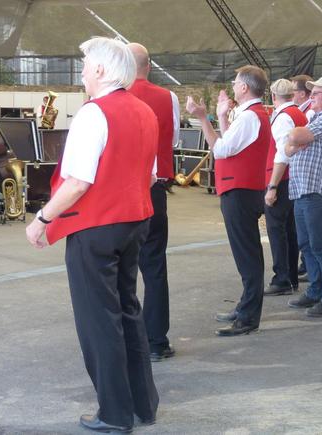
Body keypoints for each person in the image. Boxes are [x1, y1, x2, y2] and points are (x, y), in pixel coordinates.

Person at [25, 37, 159, 433]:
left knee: (98, 320)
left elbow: (78, 181)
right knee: (127, 310)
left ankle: (114, 413)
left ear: (100, 69)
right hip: (134, 221)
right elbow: (151, 176)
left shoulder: (93, 112)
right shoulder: (144, 110)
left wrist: (43, 219)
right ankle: (143, 404)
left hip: (95, 226)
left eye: (85, 65)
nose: (83, 72)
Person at [185, 65, 271, 336]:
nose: (233, 86)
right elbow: (231, 145)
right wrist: (221, 116)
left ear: (244, 87)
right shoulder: (251, 115)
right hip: (243, 188)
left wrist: (203, 118)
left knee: (247, 255)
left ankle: (248, 317)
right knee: (247, 253)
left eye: (235, 82)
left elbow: (221, 149)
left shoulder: (249, 117)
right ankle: (246, 306)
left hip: (241, 191)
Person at [128, 42, 180, 362]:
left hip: (121, 191)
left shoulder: (109, 97)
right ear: (149, 65)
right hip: (154, 189)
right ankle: (157, 341)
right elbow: (172, 140)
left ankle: (124, 339)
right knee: (155, 265)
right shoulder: (167, 97)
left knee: (119, 268)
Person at [285, 76, 322, 317]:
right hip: (304, 189)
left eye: (316, 93)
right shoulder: (316, 119)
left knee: (320, 244)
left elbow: (293, 139)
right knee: (307, 244)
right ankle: (316, 290)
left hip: (317, 190)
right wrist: (294, 139)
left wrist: (294, 138)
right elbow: (288, 147)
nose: (311, 97)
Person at [264, 79, 308, 296]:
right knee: (290, 229)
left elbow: (283, 153)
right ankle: (290, 277)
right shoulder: (299, 114)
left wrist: (272, 185)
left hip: (282, 178)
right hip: (294, 177)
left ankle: (282, 277)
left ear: (273, 96)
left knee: (277, 229)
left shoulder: (282, 118)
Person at [290, 74, 315, 281]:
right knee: (305, 231)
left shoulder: (310, 112)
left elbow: (296, 140)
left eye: (293, 91)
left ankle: (311, 268)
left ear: (301, 93)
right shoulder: (302, 112)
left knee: (311, 232)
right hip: (302, 177)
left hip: (310, 180)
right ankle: (307, 265)